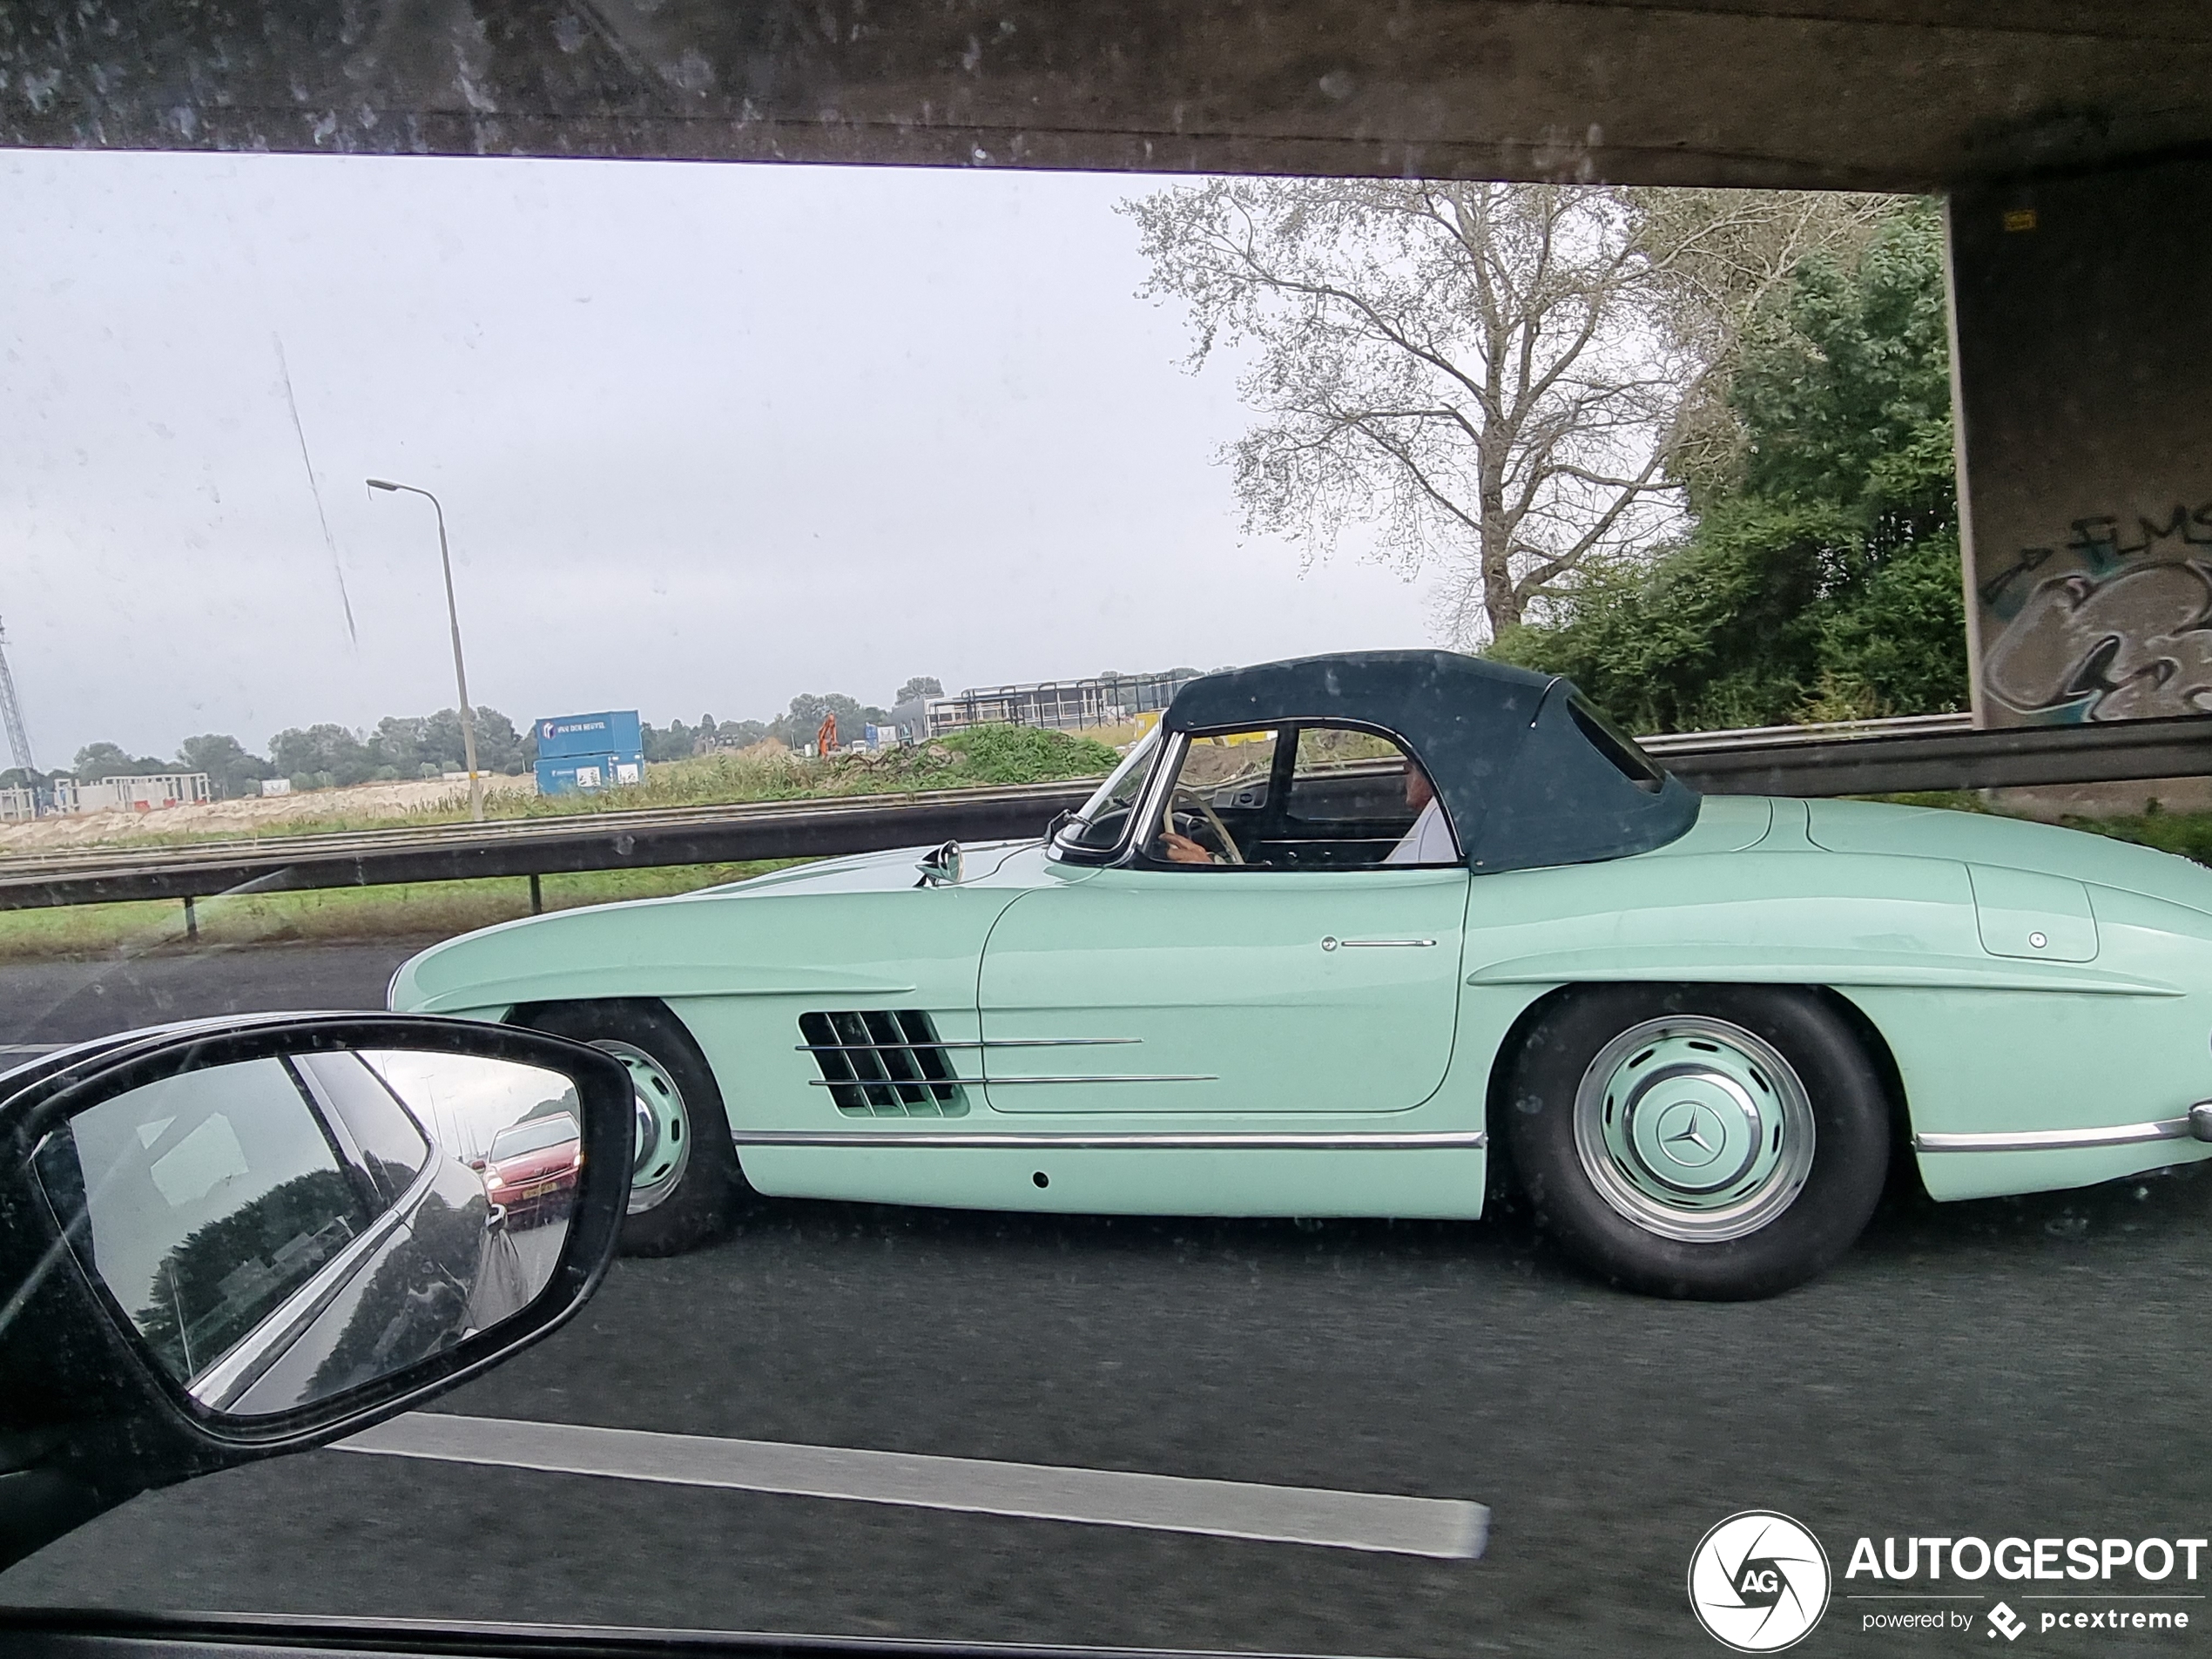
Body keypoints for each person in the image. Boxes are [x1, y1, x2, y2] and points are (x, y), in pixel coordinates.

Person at [1156, 754, 1457, 865]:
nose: (1405, 766)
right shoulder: (1443, 818)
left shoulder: (1443, 822)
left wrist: (1211, 867)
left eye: (1414, 761)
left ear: (1437, 769)